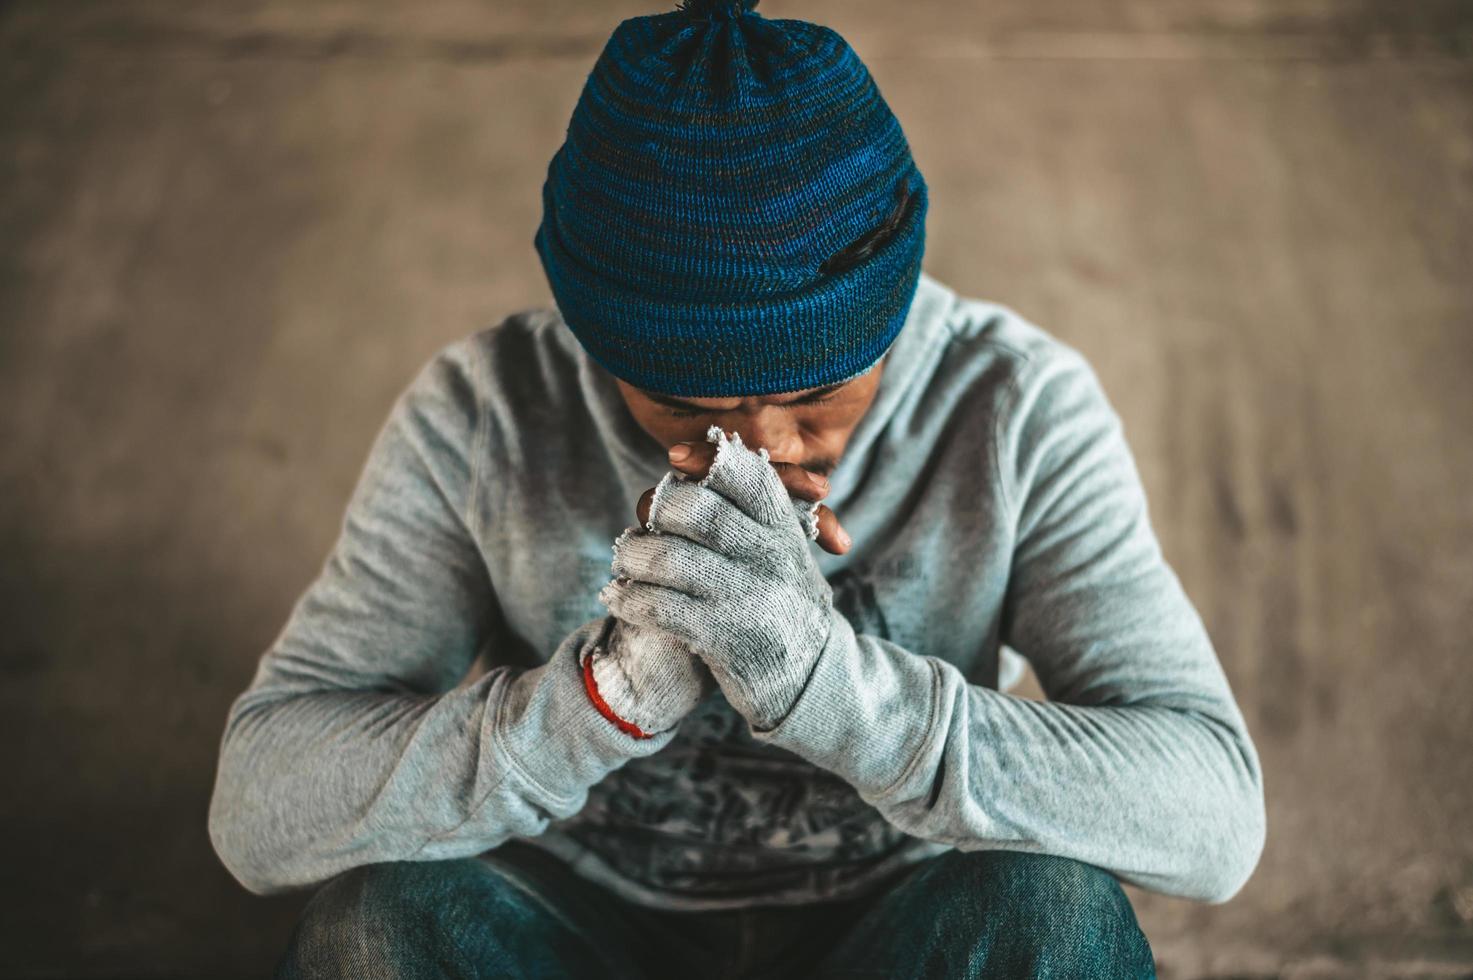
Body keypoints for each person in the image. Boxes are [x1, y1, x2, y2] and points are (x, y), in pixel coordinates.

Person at [206, 0, 1266, 976]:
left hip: (897, 921)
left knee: (1055, 915)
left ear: (885, 321)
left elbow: (1212, 818)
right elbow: (259, 806)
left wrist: (831, 688)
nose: (750, 450)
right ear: (596, 343)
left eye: (816, 391)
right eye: (678, 402)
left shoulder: (1014, 404)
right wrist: (591, 704)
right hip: (577, 924)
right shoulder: (486, 410)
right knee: (377, 928)